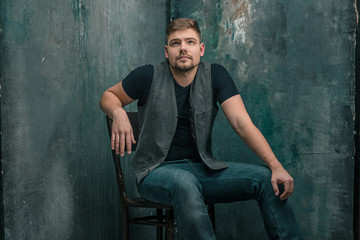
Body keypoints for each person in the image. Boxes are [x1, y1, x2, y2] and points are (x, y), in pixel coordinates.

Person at [100, 18, 302, 239]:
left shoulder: (215, 75)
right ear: (167, 52)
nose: (183, 48)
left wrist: (276, 166)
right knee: (185, 183)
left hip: (203, 170)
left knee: (265, 178)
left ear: (201, 49)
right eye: (176, 43)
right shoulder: (147, 75)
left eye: (190, 42)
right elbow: (109, 96)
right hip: (155, 173)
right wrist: (118, 112)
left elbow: (242, 123)